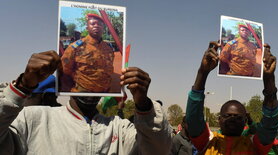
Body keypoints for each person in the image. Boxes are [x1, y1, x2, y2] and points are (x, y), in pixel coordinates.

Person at [0, 51, 172, 154]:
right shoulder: (32, 120)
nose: (90, 84)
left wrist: (144, 105)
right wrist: (22, 87)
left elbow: (158, 150)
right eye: (85, 73)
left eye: (98, 76)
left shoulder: (120, 129)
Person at [186, 41, 278, 154]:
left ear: (245, 121)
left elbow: (270, 122)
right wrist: (202, 72)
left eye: (238, 117)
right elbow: (193, 117)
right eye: (227, 116)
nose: (232, 119)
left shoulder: (254, 146)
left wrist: (269, 79)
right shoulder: (207, 143)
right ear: (219, 119)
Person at [61, 13, 115, 93]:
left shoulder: (108, 48)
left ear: (103, 28)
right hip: (84, 91)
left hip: (105, 91)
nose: (96, 26)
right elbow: (65, 69)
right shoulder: (75, 47)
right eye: (93, 24)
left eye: (99, 24)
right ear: (87, 28)